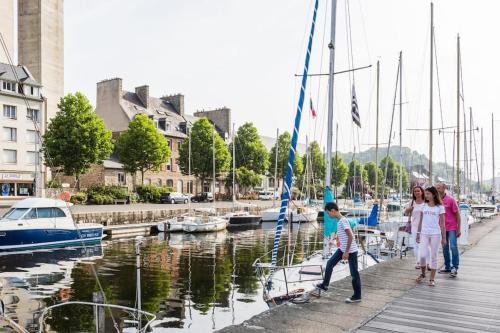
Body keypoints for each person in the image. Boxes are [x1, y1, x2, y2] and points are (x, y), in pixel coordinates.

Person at [315, 202, 361, 303]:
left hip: (351, 251)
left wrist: (347, 252)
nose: (328, 215)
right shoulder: (340, 221)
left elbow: (350, 236)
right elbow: (344, 236)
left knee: (354, 274)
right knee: (330, 263)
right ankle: (325, 285)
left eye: (328, 213)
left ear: (333, 210)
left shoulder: (343, 221)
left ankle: (357, 296)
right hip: (342, 249)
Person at [416, 186, 446, 286]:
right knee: (423, 255)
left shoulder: (440, 207)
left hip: (435, 234)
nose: (426, 195)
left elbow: (442, 224)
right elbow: (420, 221)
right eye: (426, 193)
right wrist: (418, 233)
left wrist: (444, 238)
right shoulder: (423, 206)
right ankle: (423, 273)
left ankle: (432, 279)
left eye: (428, 193)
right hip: (424, 233)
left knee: (434, 256)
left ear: (433, 194)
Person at [436, 182, 461, 277]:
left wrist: (458, 229)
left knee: (453, 246)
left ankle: (454, 267)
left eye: (439, 187)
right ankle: (447, 267)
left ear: (444, 188)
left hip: (452, 227)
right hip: (441, 228)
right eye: (436, 188)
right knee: (445, 247)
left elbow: (457, 215)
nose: (437, 189)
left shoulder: (451, 200)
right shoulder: (435, 201)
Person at [404, 186, 428, 269]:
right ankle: (418, 262)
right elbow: (405, 212)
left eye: (418, 191)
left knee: (425, 245)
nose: (417, 193)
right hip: (414, 226)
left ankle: (427, 262)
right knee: (416, 244)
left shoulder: (426, 202)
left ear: (422, 192)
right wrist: (409, 209)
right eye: (415, 191)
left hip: (425, 226)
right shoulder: (412, 202)